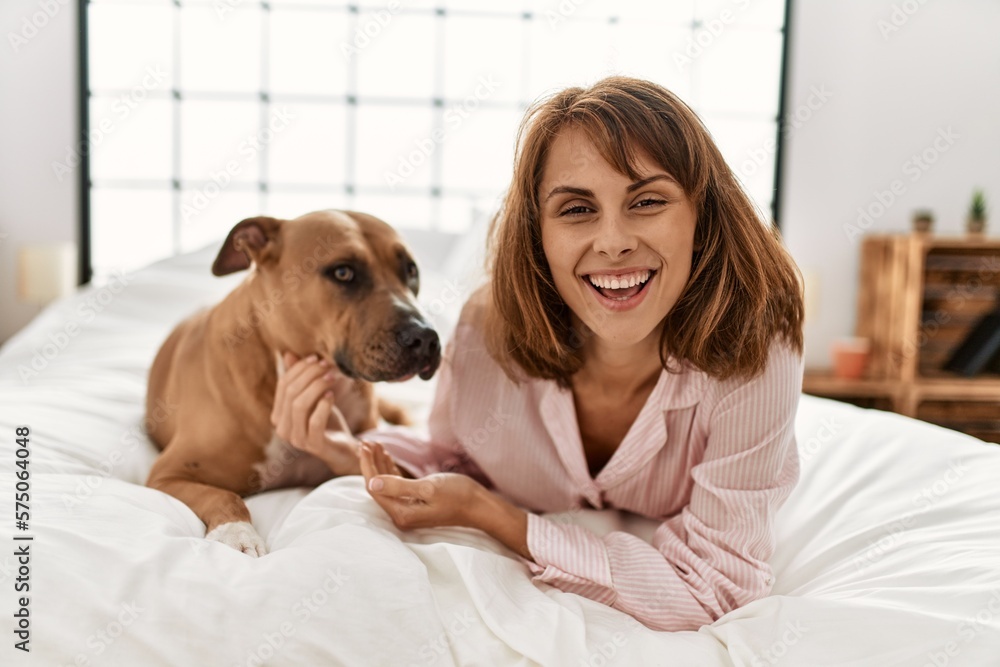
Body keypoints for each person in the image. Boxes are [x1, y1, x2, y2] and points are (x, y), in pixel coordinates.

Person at [269, 76, 805, 632]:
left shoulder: (757, 347)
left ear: (702, 217)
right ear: (538, 234)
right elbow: (459, 464)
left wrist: (501, 519)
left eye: (647, 200)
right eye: (576, 209)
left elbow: (714, 591)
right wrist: (340, 450)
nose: (614, 241)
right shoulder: (486, 330)